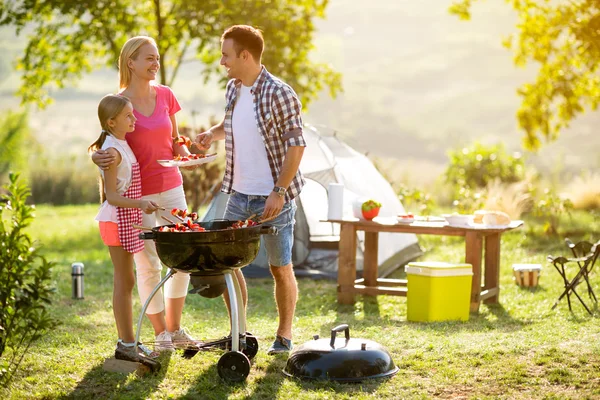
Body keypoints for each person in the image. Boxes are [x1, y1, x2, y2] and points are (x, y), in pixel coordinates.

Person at [195, 25, 306, 355]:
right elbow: (231, 124)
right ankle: (239, 333)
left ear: (245, 55)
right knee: (227, 266)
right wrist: (209, 135)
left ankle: (284, 336)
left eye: (226, 55)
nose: (222, 61)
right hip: (238, 195)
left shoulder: (279, 93)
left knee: (279, 267)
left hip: (274, 198)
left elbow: (296, 145)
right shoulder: (233, 88)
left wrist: (279, 190)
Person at [91, 36, 197, 351]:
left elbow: (176, 138)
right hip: (139, 198)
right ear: (131, 62)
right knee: (148, 264)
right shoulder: (118, 102)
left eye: (157, 58)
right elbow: (108, 145)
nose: (155, 64)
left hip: (173, 186)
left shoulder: (166, 95)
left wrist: (184, 153)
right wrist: (96, 158)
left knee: (183, 259)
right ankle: (161, 332)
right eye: (149, 58)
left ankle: (176, 329)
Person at [88, 94, 160, 366]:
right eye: (129, 116)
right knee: (124, 281)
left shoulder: (119, 143)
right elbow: (112, 197)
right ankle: (126, 344)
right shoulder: (112, 151)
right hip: (115, 219)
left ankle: (128, 340)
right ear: (111, 121)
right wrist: (141, 202)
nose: (134, 119)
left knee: (127, 280)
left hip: (124, 219)